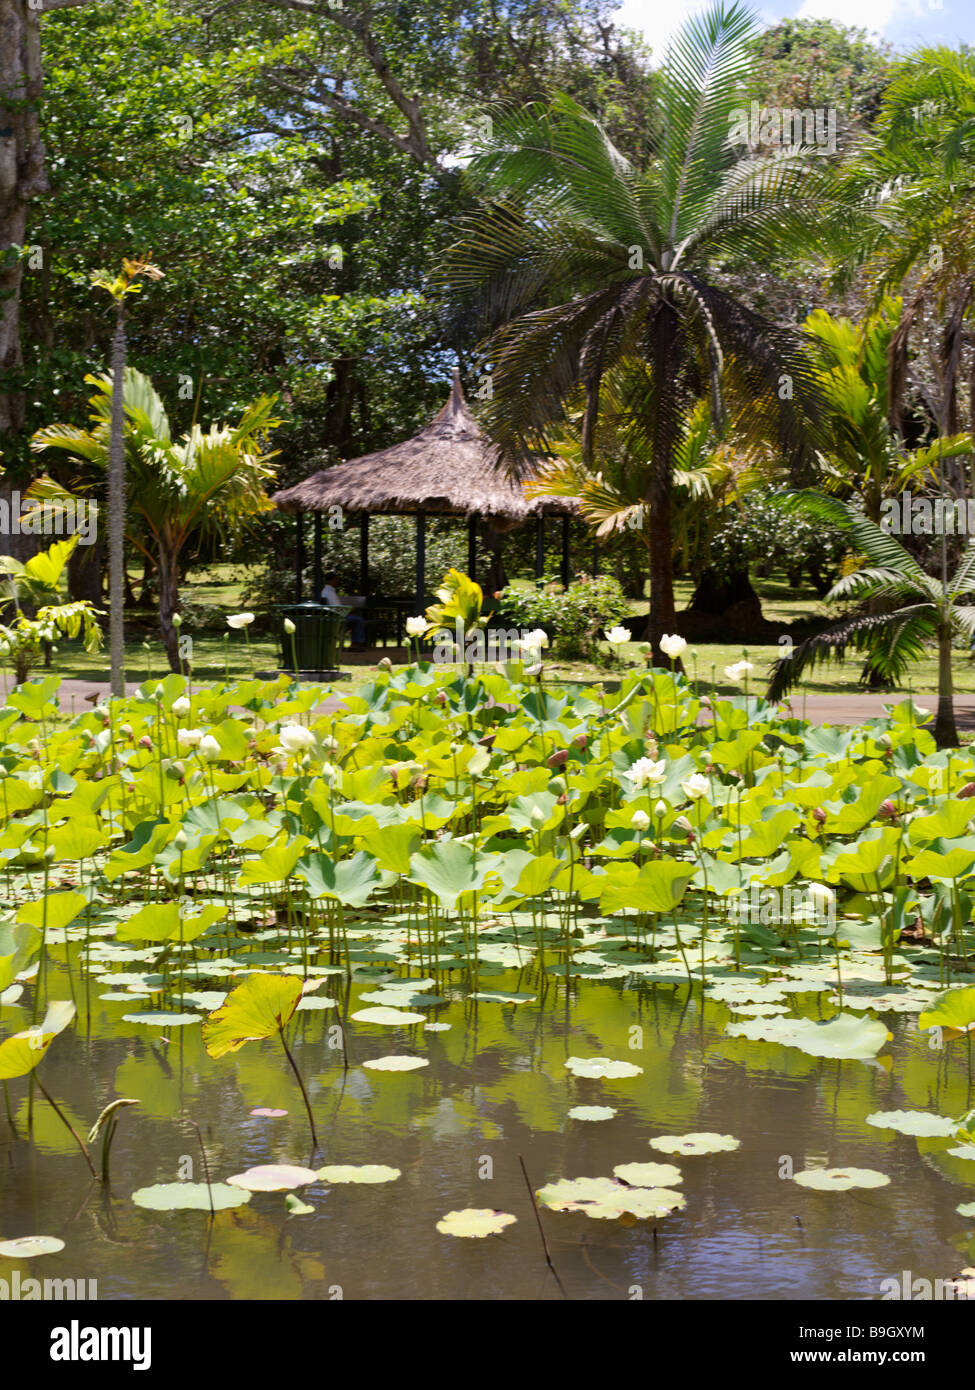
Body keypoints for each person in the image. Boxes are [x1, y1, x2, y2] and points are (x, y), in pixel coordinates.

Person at [321, 571, 366, 648]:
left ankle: (356, 643)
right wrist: (349, 610)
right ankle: (357, 644)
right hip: (336, 617)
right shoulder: (329, 592)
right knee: (358, 620)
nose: (337, 581)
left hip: (333, 615)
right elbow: (337, 607)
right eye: (336, 579)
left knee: (355, 619)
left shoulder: (325, 591)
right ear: (332, 580)